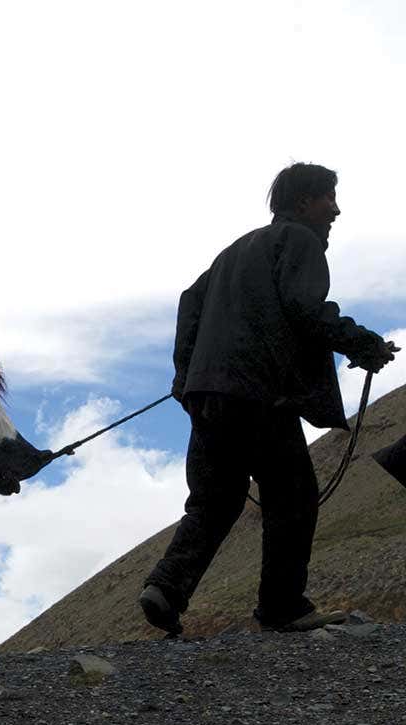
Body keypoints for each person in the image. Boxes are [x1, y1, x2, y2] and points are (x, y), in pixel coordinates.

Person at [140, 162, 397, 636]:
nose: (336, 210)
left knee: (213, 502)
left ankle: (166, 588)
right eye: (328, 198)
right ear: (303, 203)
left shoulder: (230, 254)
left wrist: (186, 379)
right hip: (259, 393)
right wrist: (365, 344)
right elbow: (305, 308)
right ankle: (282, 607)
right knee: (294, 496)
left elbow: (187, 306)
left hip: (209, 394)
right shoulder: (298, 241)